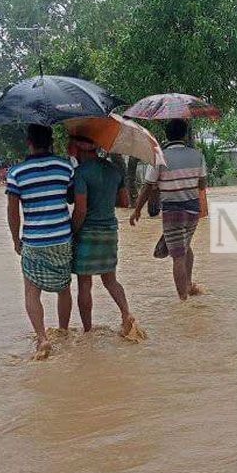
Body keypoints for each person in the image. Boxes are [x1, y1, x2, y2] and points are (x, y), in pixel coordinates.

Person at [6, 124, 75, 360]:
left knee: (31, 292)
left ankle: (43, 338)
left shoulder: (17, 173)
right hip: (62, 238)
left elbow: (13, 212)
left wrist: (16, 240)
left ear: (29, 142)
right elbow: (71, 197)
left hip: (34, 240)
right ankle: (64, 331)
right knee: (64, 288)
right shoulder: (65, 167)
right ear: (51, 141)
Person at [68, 136, 144, 339]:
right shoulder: (113, 170)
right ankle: (126, 313)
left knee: (85, 284)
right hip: (110, 230)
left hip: (87, 233)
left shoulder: (80, 173)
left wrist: (72, 232)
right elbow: (124, 201)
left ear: (79, 148)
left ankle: (87, 332)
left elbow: (81, 211)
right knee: (111, 280)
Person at [129, 119, 207, 300]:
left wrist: (137, 210)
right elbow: (202, 184)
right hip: (193, 211)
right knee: (186, 247)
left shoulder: (159, 157)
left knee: (178, 255)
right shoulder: (197, 155)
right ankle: (188, 286)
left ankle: (183, 301)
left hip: (173, 212)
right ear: (185, 135)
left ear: (167, 135)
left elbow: (148, 186)